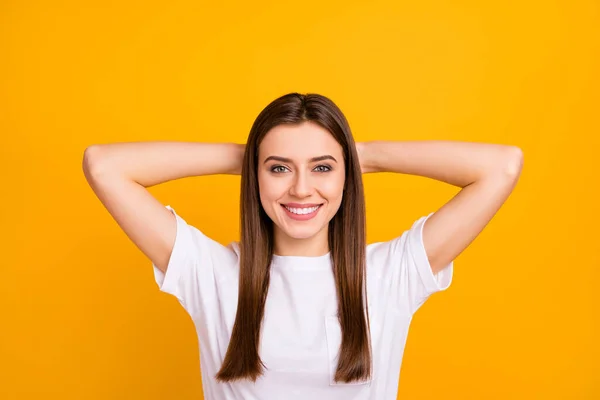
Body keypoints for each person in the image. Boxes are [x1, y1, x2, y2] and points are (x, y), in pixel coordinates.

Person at [82, 92, 523, 399]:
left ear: (346, 176)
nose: (300, 188)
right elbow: (104, 166)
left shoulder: (391, 275)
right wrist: (250, 154)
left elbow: (502, 166)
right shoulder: (211, 273)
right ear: (255, 176)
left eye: (322, 168)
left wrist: (362, 154)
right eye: (279, 169)